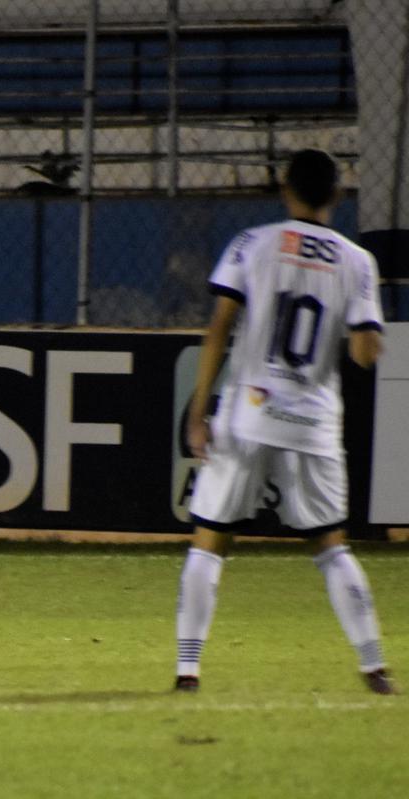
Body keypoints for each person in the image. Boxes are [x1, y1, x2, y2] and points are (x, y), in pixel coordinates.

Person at [175, 149, 393, 695]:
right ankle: (374, 667)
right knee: (331, 547)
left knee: (210, 541)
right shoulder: (357, 261)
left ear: (284, 189)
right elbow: (367, 354)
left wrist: (200, 410)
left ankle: (187, 670)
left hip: (248, 414)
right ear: (338, 197)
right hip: (313, 424)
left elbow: (218, 330)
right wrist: (369, 339)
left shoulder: (251, 243)